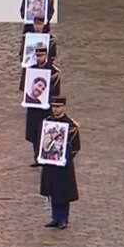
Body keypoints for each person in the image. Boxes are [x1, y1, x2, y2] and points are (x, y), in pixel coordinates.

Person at [40, 98, 79, 229]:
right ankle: (55, 217)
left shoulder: (71, 125)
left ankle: (63, 218)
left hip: (63, 165)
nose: (56, 109)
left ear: (64, 107)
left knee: (63, 191)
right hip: (50, 163)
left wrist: (65, 157)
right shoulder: (48, 123)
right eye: (54, 106)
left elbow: (76, 146)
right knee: (53, 190)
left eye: (58, 107)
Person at [24, 45, 61, 167]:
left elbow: (56, 91)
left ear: (46, 56)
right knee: (34, 132)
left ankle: (44, 155)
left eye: (42, 55)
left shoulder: (53, 71)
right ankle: (37, 157)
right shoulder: (31, 69)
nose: (39, 58)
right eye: (38, 56)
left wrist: (49, 102)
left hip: (46, 108)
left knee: (44, 131)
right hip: (33, 107)